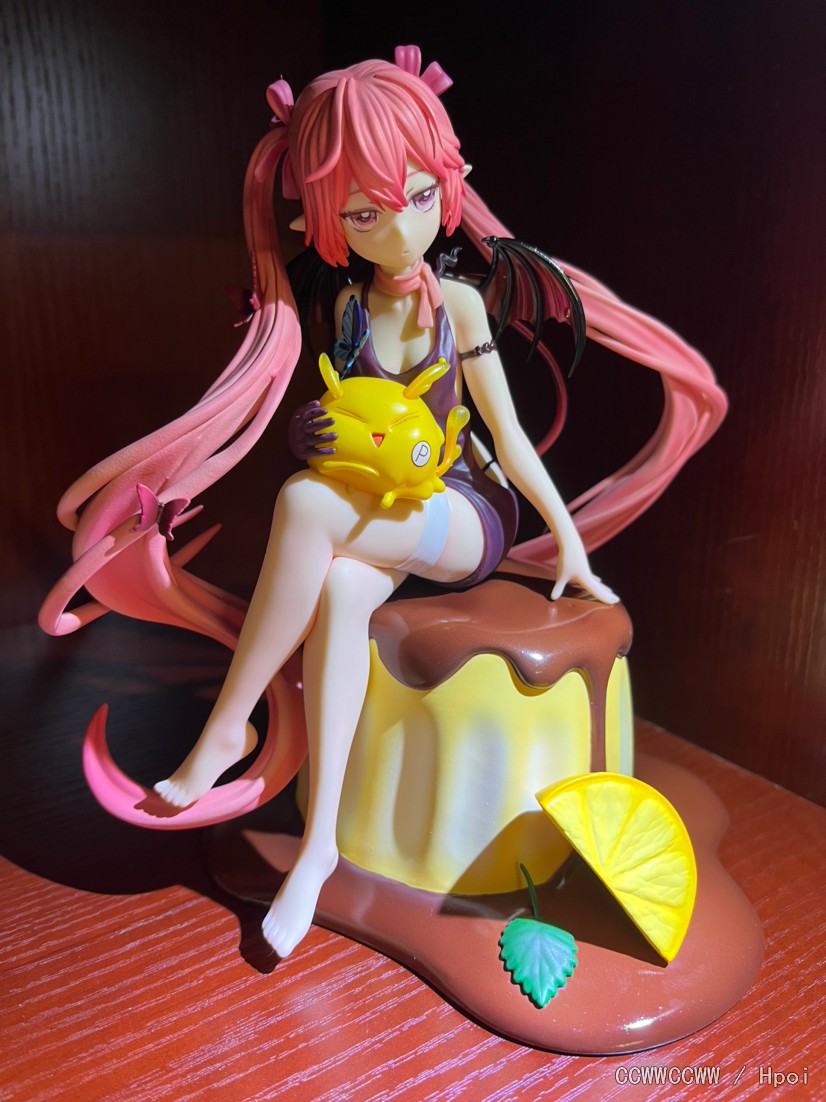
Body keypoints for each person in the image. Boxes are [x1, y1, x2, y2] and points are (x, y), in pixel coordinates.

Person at [40, 48, 726, 958]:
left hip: (465, 512)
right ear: (326, 224)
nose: (401, 231)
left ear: (449, 185)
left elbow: (509, 437)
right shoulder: (347, 313)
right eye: (365, 214)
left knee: (304, 506)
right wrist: (312, 432)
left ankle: (226, 728)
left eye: (419, 197)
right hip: (381, 510)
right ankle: (320, 847)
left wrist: (570, 540)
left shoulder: (460, 307)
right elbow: (348, 423)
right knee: (339, 589)